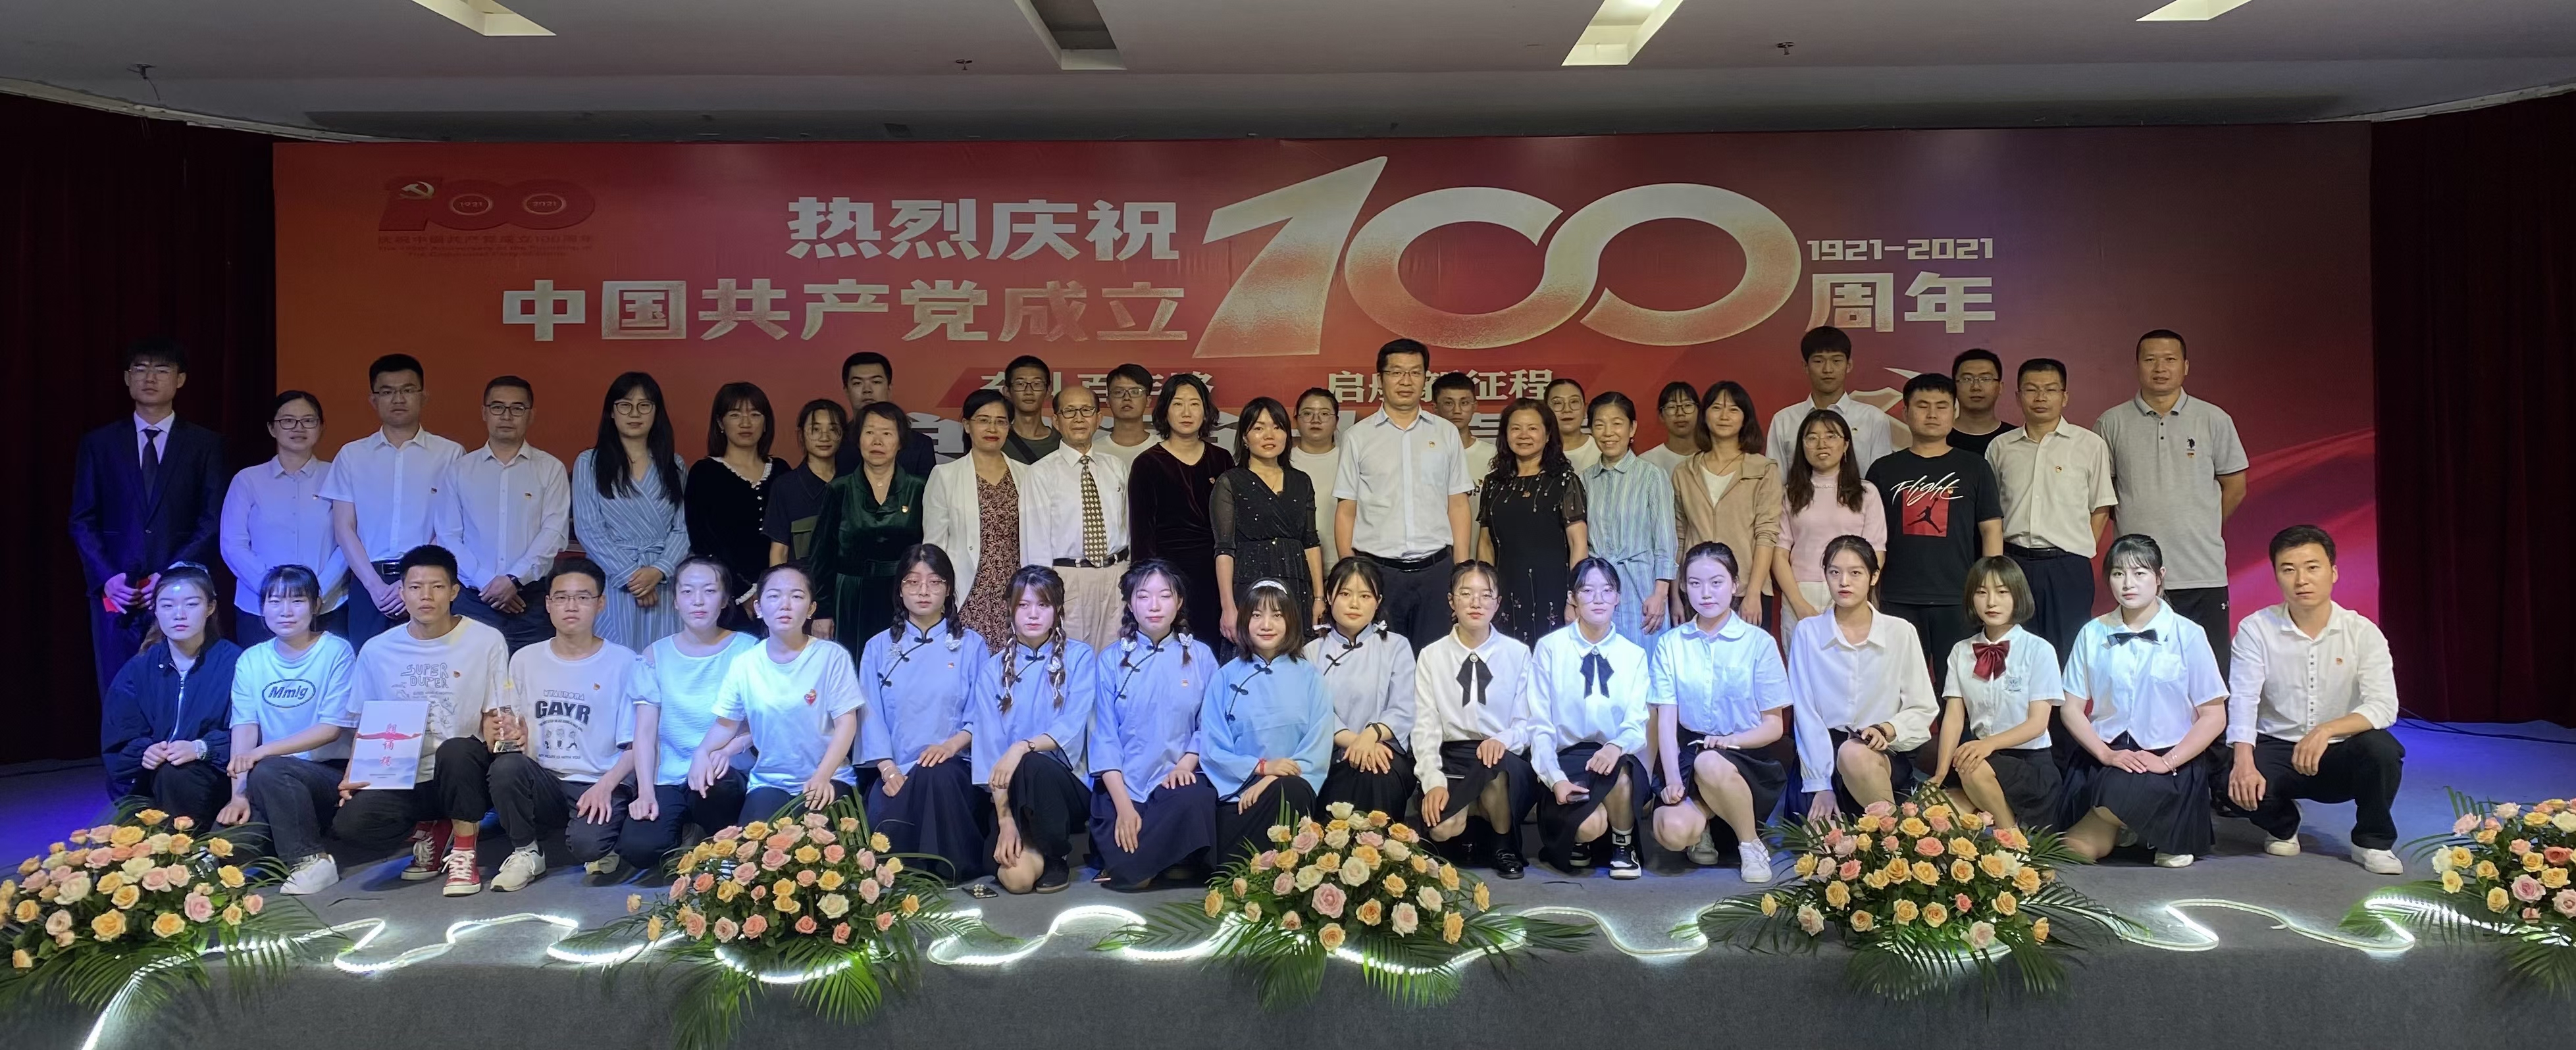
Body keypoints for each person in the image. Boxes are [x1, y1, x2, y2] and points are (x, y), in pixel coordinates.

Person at [2224, 525, 2406, 875]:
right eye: (2288, 569)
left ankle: (2372, 841)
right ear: (2276, 576)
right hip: (2277, 747)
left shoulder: (2362, 632)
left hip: (2341, 751)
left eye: (2312, 567)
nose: (2301, 580)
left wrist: (2326, 730)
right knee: (2225, 774)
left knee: (2383, 750)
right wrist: (2243, 762)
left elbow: (2384, 706)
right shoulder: (2255, 629)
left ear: (2333, 572)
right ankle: (2284, 823)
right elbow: (2244, 699)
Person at [331, 545, 509, 897]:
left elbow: (495, 713)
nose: (426, 596)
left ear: (454, 591)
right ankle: (432, 829)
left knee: (456, 750)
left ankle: (464, 851)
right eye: (415, 587)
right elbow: (368, 722)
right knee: (350, 823)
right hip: (403, 774)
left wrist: (503, 751)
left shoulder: (486, 640)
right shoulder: (377, 651)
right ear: (401, 592)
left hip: (465, 772)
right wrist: (353, 772)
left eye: (437, 586)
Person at [2057, 534, 2228, 868]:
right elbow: (2071, 708)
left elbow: (2214, 716)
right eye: (2118, 574)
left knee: (2117, 799)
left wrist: (2167, 762)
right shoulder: (2092, 633)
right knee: (2082, 834)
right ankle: (2130, 827)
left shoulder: (2188, 634)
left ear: (2160, 576)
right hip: (2106, 754)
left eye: (2139, 573)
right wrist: (2105, 754)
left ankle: (2128, 827)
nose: (2128, 584)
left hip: (2171, 760)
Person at [75, 338, 228, 695]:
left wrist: (172, 574)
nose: (150, 378)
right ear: (127, 378)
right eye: (140, 369)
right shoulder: (99, 444)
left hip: (180, 591)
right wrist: (107, 577)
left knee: (179, 688)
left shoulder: (205, 444)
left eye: (161, 369)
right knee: (118, 687)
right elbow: (82, 519)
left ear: (180, 379)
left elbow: (212, 518)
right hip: (118, 592)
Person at [486, 558, 643, 889]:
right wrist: (513, 735)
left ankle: (606, 836)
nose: (571, 606)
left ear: (601, 603)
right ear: (548, 604)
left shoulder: (624, 662)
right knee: (506, 767)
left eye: (583, 597)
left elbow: (636, 743)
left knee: (589, 847)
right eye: (561, 597)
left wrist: (607, 786)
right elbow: (512, 725)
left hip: (598, 780)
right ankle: (526, 852)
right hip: (545, 779)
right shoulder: (525, 659)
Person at [2094, 330, 2248, 647]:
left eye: (2169, 360)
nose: (2160, 368)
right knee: (2139, 669)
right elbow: (2103, 494)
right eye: (2150, 360)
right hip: (2136, 574)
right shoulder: (2111, 423)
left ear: (2186, 366)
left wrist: (2203, 523)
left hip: (2201, 570)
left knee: (2207, 668)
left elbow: (2235, 486)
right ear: (2137, 366)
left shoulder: (2213, 419)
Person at [1648, 542, 1790, 882]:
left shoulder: (1759, 643)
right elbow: (1666, 721)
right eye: (1695, 583)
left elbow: (1774, 727)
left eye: (1716, 582)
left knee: (1710, 762)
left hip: (1746, 754)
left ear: (1735, 585)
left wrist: (1730, 741)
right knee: (1671, 830)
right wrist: (1672, 779)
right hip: (1689, 751)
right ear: (1684, 587)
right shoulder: (1671, 643)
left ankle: (1750, 844)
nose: (1706, 593)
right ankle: (1705, 824)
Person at [220, 564, 359, 895]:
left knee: (271, 769)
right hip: (269, 780)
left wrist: (264, 752)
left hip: (325, 775)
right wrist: (238, 795)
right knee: (224, 853)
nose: (286, 611)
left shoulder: (336, 651)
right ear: (262, 607)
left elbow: (331, 729)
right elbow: (244, 729)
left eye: (297, 601)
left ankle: (311, 861)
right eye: (275, 601)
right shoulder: (251, 660)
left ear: (316, 605)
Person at [858, 545, 992, 884]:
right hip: (896, 770)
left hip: (955, 768)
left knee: (935, 774)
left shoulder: (972, 645)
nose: (923, 591)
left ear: (948, 589)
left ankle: (947, 871)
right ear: (899, 590)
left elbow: (984, 715)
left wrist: (950, 747)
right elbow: (869, 717)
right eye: (912, 582)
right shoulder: (877, 648)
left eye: (934, 582)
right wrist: (887, 769)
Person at [690, 562, 863, 823]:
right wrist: (701, 753)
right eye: (774, 596)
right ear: (759, 608)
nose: (785, 605)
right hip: (770, 781)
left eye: (797, 596)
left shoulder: (831, 656)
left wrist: (823, 775)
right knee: (755, 845)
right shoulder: (745, 664)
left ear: (811, 609)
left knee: (817, 843)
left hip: (829, 777)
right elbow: (726, 724)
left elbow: (846, 723)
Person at [618, 556, 760, 876]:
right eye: (687, 591)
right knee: (639, 848)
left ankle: (715, 835)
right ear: (675, 601)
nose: (698, 601)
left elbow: (762, 725)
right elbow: (645, 733)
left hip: (723, 770)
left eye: (709, 591)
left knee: (717, 787)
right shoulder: (655, 655)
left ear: (724, 600)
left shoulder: (747, 650)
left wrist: (726, 750)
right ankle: (689, 832)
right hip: (670, 772)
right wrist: (645, 791)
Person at [1865, 373, 2003, 693]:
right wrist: (1871, 588)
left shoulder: (1975, 467)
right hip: (1898, 597)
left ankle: (1958, 731)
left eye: (1942, 406)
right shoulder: (1883, 470)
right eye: (1922, 405)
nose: (1932, 414)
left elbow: (1991, 530)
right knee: (1898, 688)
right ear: (1905, 412)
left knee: (1959, 687)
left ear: (1954, 412)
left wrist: (1989, 587)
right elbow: (1870, 538)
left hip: (1958, 598)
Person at [1087, 561, 1220, 888]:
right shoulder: (1110, 660)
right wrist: (1124, 807)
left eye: (1165, 595)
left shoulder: (1202, 657)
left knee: (1195, 798)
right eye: (1144, 596)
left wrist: (1185, 764)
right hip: (1124, 786)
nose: (1155, 605)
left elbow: (1211, 725)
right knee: (1134, 875)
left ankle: (1155, 859)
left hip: (1176, 784)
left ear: (1179, 602)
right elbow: (1103, 737)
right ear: (1131, 604)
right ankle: (1167, 858)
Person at [1786, 537, 1938, 821]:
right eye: (1835, 572)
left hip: (1877, 753)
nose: (1844, 582)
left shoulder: (1900, 632)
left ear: (1874, 577)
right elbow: (1805, 713)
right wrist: (1821, 783)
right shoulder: (1808, 632)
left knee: (1855, 755)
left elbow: (1923, 707)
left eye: (1855, 573)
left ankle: (1895, 836)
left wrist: (1887, 729)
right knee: (1821, 843)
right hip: (1821, 755)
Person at [969, 566, 1101, 894]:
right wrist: (1005, 820)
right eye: (1023, 605)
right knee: (1018, 880)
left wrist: (1021, 747)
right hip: (1011, 795)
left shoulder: (1080, 657)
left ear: (1058, 610)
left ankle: (1056, 855)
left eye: (1043, 605)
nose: (1033, 614)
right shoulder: (992, 670)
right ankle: (1028, 841)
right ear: (1010, 609)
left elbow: (1072, 726)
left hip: (1066, 789)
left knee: (1033, 763)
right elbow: (988, 750)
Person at [1337, 341, 1475, 650]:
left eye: (1415, 373)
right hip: (1378, 573)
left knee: (1434, 661)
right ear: (1380, 379)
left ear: (1425, 378)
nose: (1406, 381)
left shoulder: (1445, 433)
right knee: (1379, 661)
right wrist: (1350, 572)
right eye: (1396, 372)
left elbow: (1458, 504)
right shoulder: (1358, 437)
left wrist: (1461, 571)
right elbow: (1347, 508)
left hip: (1436, 571)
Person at [321, 353, 461, 650]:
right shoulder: (352, 455)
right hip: (369, 581)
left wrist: (413, 580)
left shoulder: (451, 454)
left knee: (430, 665)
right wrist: (374, 586)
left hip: (429, 580)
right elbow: (344, 527)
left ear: (424, 396)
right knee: (369, 663)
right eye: (387, 392)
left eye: (408, 390)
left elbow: (451, 525)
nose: (398, 399)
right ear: (373, 400)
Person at [1411, 561, 1537, 878]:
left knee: (1495, 769)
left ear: (1498, 602)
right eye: (1466, 594)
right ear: (1452, 601)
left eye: (1486, 595)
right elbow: (1425, 726)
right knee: (1441, 829)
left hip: (1501, 756)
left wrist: (1502, 740)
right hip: (1452, 757)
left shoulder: (1518, 653)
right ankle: (1471, 819)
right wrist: (1432, 781)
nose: (1476, 603)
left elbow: (1527, 723)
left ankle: (1504, 844)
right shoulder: (1431, 655)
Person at [1528, 558, 1649, 878]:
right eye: (1587, 590)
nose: (1598, 599)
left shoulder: (1633, 655)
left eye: (1607, 590)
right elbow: (1539, 725)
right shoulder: (1550, 648)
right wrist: (1554, 778)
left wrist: (1616, 746)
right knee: (1589, 826)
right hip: (1566, 758)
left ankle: (1623, 844)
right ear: (1572, 597)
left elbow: (1636, 724)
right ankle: (1582, 837)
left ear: (1618, 597)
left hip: (1614, 755)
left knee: (1621, 771)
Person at [1987, 358, 2116, 659]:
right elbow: (1991, 511)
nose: (2041, 397)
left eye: (2050, 389)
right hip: (2014, 564)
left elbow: (2101, 507)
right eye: (2031, 390)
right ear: (2018, 396)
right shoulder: (2000, 447)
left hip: (2067, 566)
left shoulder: (2090, 445)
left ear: (2065, 396)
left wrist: (2078, 549)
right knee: (2014, 652)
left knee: (2068, 653)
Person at [1202, 579, 1335, 866]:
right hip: (1240, 796)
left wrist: (1273, 777)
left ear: (1291, 621)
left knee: (1292, 790)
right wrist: (1261, 768)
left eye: (1277, 615)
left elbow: (1317, 746)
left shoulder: (1311, 677)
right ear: (1244, 621)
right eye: (1257, 615)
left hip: (1289, 792)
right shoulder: (1224, 677)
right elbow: (1213, 749)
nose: (1266, 625)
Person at [434, 375, 569, 653]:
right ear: (484, 413)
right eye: (498, 407)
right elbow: (448, 536)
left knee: (531, 675)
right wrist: (489, 583)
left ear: (531, 415)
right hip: (473, 599)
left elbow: (554, 533)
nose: (507, 416)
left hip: (531, 600)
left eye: (517, 408)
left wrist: (514, 580)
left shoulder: (550, 469)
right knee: (468, 676)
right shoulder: (460, 470)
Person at [99, 564, 240, 830]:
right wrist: (146, 751)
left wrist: (202, 748)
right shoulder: (139, 668)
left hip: (214, 776)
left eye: (191, 604)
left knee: (176, 774)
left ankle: (189, 846)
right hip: (151, 779)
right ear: (155, 610)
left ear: (210, 607)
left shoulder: (235, 663)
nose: (179, 615)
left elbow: (250, 732)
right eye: (167, 606)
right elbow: (119, 739)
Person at [1930, 557, 2063, 836]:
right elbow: (1954, 717)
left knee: (1973, 767)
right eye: (1982, 592)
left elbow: (2038, 724)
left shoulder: (2039, 650)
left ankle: (2012, 840)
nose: (1991, 602)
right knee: (1936, 811)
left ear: (2018, 595)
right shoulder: (1961, 651)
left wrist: (1988, 744)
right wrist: (1940, 774)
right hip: (1979, 759)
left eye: (2002, 592)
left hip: (2029, 764)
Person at [573, 372, 693, 653]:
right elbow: (589, 529)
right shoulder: (589, 463)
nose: (635, 413)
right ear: (612, 412)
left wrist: (659, 570)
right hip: (613, 580)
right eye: (625, 405)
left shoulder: (674, 465)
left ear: (656, 413)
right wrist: (633, 577)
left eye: (644, 405)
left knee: (662, 661)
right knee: (614, 662)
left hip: (664, 582)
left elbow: (684, 527)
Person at [221, 391, 348, 645]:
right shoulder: (247, 480)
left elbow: (348, 541)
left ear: (321, 427)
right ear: (272, 428)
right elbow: (233, 545)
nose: (298, 428)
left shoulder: (337, 476)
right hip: (259, 609)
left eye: (308, 421)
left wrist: (316, 593)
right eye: (288, 421)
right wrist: (275, 594)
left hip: (326, 606)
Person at [927, 390, 1042, 654]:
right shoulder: (945, 475)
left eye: (1001, 422)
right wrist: (938, 594)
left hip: (1016, 590)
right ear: (967, 425)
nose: (992, 428)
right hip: (967, 590)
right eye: (983, 420)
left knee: (1015, 663)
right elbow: (934, 547)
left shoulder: (1027, 475)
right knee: (966, 662)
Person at [1129, 374, 1235, 657]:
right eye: (1178, 404)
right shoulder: (1147, 463)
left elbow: (1233, 526)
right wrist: (1148, 586)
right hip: (1168, 577)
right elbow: (1142, 534)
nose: (1187, 412)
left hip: (1216, 574)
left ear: (1206, 411)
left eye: (1194, 404)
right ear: (1165, 410)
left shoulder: (1222, 459)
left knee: (1213, 652)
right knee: (1172, 653)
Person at [808, 402, 927, 651]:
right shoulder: (839, 489)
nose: (877, 441)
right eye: (870, 432)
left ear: (901, 442)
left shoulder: (920, 488)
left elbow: (930, 551)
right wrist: (823, 611)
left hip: (904, 596)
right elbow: (822, 556)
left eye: (887, 433)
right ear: (858, 439)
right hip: (850, 596)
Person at [1306, 558, 1418, 819]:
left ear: (1378, 602)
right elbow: (1315, 713)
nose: (1354, 604)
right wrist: (1358, 744)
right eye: (1345, 594)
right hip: (1330, 755)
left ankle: (1382, 845)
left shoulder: (1397, 646)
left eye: (1365, 596)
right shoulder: (1310, 652)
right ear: (1330, 597)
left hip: (1385, 750)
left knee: (1377, 771)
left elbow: (1404, 708)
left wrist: (1371, 737)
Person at [1027, 384, 1132, 651]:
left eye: (1086, 410)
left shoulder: (1116, 467)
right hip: (1067, 578)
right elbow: (1035, 541)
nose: (1078, 418)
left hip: (1116, 575)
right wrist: (1041, 594)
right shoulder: (1041, 473)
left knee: (1116, 655)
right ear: (1056, 421)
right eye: (1069, 411)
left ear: (1099, 419)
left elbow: (1127, 526)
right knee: (1068, 657)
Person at [1479, 398, 1588, 644]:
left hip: (1552, 590)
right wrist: (1485, 593)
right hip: (1505, 589)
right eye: (1516, 428)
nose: (1524, 435)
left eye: (1532, 428)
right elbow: (1486, 543)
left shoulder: (1564, 480)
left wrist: (1575, 597)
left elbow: (1578, 544)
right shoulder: (1494, 483)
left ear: (1548, 435)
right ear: (1505, 434)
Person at [1215, 397, 1324, 640]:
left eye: (1277, 427)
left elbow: (1310, 542)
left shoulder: (1301, 481)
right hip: (1250, 583)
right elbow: (1224, 549)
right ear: (1245, 438)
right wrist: (1228, 606)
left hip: (1296, 584)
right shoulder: (1230, 482)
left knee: (1296, 653)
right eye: (1259, 428)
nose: (1269, 435)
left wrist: (1319, 597)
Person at [1672, 381, 1778, 629]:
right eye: (1717, 408)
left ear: (1745, 418)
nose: (1724, 416)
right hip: (1696, 590)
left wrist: (1754, 592)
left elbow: (1766, 534)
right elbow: (1679, 536)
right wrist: (1676, 594)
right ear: (1704, 415)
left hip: (1745, 591)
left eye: (1733, 409)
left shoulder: (1763, 469)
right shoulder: (1684, 471)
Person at [1773, 411, 1885, 644]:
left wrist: (1851, 594)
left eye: (1831, 436)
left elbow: (1876, 552)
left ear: (1846, 445)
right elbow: (1779, 554)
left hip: (1853, 591)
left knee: (1853, 663)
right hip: (1802, 591)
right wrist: (1798, 603)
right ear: (1802, 446)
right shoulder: (1790, 494)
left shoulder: (1866, 493)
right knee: (1803, 664)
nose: (1821, 444)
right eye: (1812, 438)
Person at [688, 382, 787, 630]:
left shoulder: (781, 470)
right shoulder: (704, 473)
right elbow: (703, 541)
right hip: (727, 596)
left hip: (782, 595)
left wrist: (778, 589)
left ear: (766, 422)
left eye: (755, 414)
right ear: (720, 423)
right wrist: (744, 593)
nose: (746, 423)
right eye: (735, 415)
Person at [1579, 392, 1676, 645]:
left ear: (1632, 428)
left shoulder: (1652, 476)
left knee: (1645, 660)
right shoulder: (1585, 480)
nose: (1608, 432)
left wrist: (1660, 594)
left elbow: (1665, 542)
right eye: (1600, 425)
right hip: (1598, 590)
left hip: (1642, 588)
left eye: (1617, 423)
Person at [1765, 326, 1895, 476]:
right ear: (1806, 367)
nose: (1828, 369)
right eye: (1819, 361)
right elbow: (1775, 481)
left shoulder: (1873, 418)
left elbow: (1881, 477)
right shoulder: (1784, 420)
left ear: (1849, 365)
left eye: (1836, 361)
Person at [763, 399, 847, 566]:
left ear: (843, 435)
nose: (824, 437)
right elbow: (779, 552)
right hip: (802, 581)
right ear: (801, 435)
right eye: (815, 430)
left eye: (833, 429)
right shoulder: (785, 487)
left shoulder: (854, 482)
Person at [837, 352, 937, 479]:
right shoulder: (836, 442)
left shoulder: (919, 445)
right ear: (846, 391)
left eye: (876, 382)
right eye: (857, 383)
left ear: (889, 388)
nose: (867, 390)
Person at [1431, 370, 1497, 558]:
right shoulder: (1425, 455)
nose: (1457, 410)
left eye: (1464, 402)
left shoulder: (1493, 456)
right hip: (1435, 558)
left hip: (1482, 555)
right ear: (1435, 408)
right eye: (1448, 403)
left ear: (1475, 406)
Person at [1292, 388, 1344, 571]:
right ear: (1296, 421)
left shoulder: (1349, 460)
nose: (1316, 420)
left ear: (1337, 421)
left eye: (1324, 414)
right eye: (1308, 413)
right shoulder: (1283, 463)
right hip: (1296, 567)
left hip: (1342, 565)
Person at [1946, 348, 2011, 457]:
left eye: (1985, 379)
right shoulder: (1937, 437)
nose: (1976, 387)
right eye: (1967, 379)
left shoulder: (2015, 439)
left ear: (2000, 387)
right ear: (1954, 387)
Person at [1000, 355, 1063, 464]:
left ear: (1048, 391)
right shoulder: (998, 439)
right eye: (1020, 384)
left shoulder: (1063, 443)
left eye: (1037, 384)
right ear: (1007, 392)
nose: (1028, 392)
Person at [1095, 363, 1160, 467]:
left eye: (1135, 392)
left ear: (1148, 401)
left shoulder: (1164, 449)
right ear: (1108, 401)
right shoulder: (1093, 452)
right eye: (1119, 392)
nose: (1127, 398)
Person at [1637, 381, 1700, 474]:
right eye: (1672, 407)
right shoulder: (1646, 463)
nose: (1680, 413)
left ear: (1699, 412)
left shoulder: (1714, 457)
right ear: (1661, 416)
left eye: (1687, 405)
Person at [1545, 377, 1601, 474]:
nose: (1567, 410)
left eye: (1574, 402)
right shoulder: (1536, 451)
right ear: (1545, 410)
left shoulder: (1601, 449)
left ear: (1585, 408)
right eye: (1558, 403)